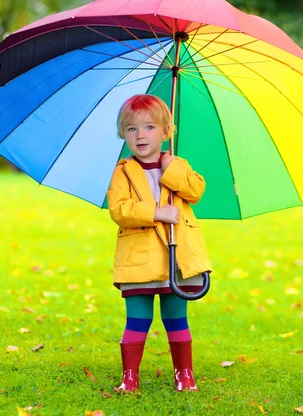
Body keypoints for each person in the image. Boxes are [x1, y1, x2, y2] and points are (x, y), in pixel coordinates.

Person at [106, 94, 212, 393]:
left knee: (176, 318)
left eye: (150, 127)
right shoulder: (123, 171)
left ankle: (184, 375)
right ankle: (130, 377)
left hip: (176, 258)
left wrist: (171, 167)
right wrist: (155, 212)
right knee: (137, 319)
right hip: (139, 258)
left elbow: (196, 190)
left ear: (166, 131)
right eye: (131, 129)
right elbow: (119, 210)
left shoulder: (177, 165)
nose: (140, 135)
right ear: (123, 134)